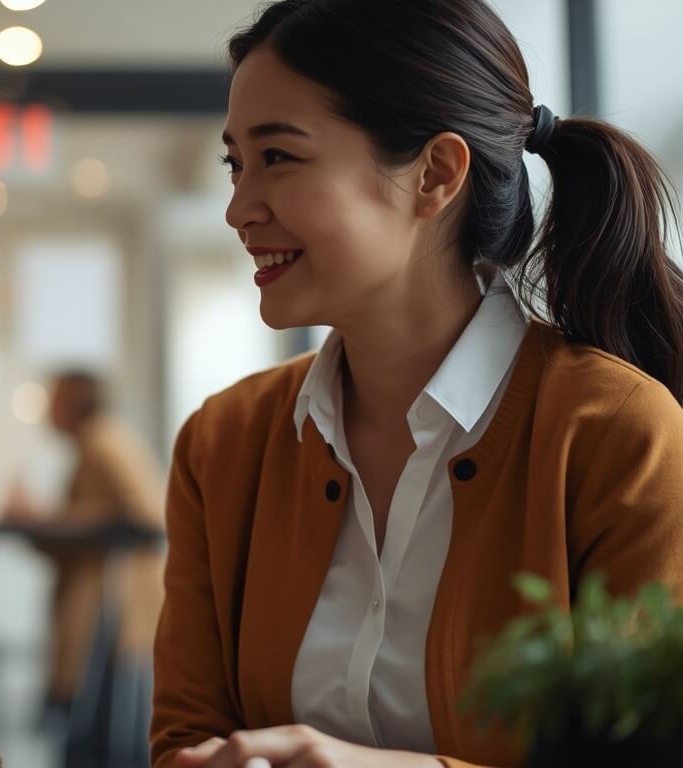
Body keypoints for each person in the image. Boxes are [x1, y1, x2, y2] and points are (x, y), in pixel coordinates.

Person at [151, 2, 683, 767]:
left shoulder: (618, 434)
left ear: (435, 174)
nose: (239, 208)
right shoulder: (222, 444)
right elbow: (183, 742)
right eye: (236, 163)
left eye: (280, 158)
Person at [7, 372, 165, 719]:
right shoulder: (96, 443)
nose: (48, 408)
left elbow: (149, 514)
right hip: (99, 602)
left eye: (53, 398)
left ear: (69, 403)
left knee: (99, 721)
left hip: (113, 605)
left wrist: (48, 517)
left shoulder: (105, 441)